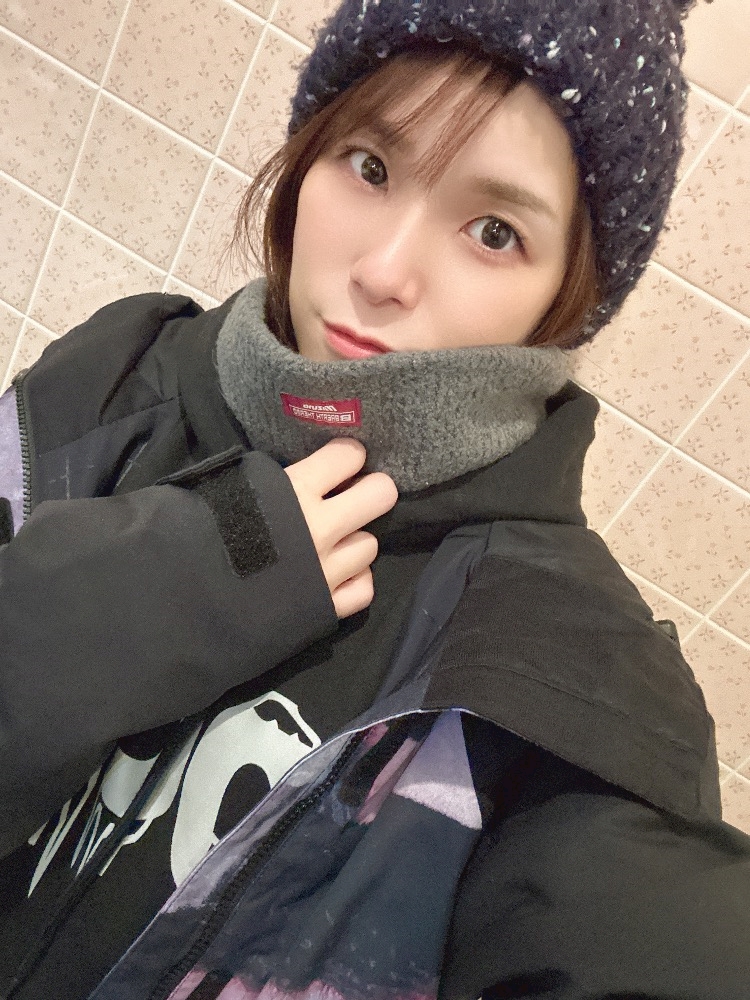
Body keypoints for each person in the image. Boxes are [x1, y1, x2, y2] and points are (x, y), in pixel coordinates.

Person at [0, 0, 748, 998]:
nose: (385, 271)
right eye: (370, 166)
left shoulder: (579, 684)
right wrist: (150, 592)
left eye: (493, 231)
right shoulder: (123, 366)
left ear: (569, 294)